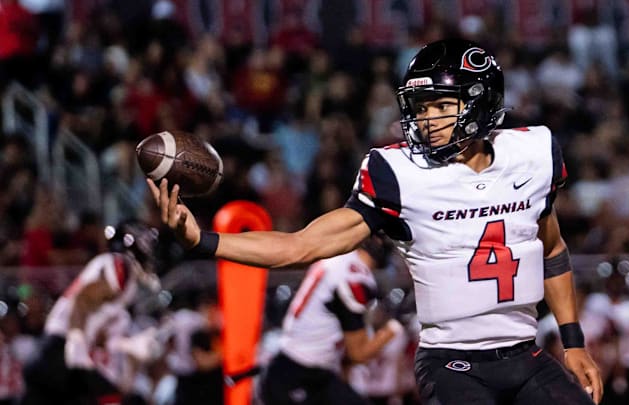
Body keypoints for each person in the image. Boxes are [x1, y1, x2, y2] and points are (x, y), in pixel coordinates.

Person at [148, 38, 604, 404]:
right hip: (453, 363)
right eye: (420, 108)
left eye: (440, 106)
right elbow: (300, 246)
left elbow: (551, 249)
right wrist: (203, 241)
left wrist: (573, 340)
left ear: (480, 101)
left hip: (527, 353)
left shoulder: (531, 154)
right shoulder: (401, 174)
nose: (426, 120)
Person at [20, 219, 164, 405]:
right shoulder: (120, 266)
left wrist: (127, 345)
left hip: (55, 355)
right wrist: (76, 338)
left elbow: (98, 333)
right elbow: (84, 298)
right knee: (108, 396)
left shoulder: (119, 271)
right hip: (57, 353)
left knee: (108, 394)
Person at [259, 236, 403, 405]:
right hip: (297, 375)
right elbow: (358, 354)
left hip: (302, 370)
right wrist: (395, 326)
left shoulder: (337, 258)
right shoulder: (354, 277)